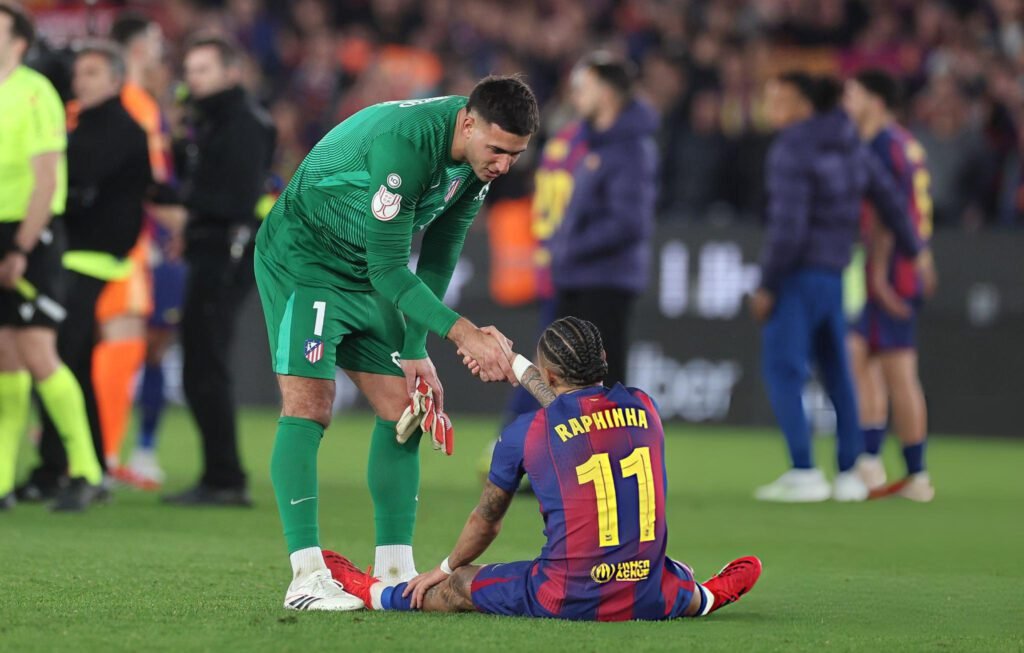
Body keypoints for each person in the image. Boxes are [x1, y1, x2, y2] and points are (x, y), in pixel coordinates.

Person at [254, 76, 537, 611]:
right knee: (310, 405)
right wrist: (463, 333)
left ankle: (393, 568)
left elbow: (439, 254)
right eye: (497, 150)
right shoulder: (407, 147)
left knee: (405, 408)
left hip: (363, 266)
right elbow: (390, 267)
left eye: (515, 155)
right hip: (306, 256)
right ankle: (306, 577)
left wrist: (415, 347)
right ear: (468, 123)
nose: (503, 165)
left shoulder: (476, 165)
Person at [323, 317, 763, 620]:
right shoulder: (646, 407)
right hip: (647, 594)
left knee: (460, 585)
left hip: (565, 595)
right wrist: (514, 364)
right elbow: (574, 408)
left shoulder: (524, 433)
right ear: (603, 359)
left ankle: (375, 593)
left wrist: (444, 565)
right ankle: (706, 595)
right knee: (671, 571)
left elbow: (486, 523)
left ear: (549, 377)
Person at [749, 72, 925, 503]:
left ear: (802, 103)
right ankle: (848, 472)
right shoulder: (851, 144)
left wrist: (768, 283)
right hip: (835, 275)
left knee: (784, 370)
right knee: (838, 373)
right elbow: (891, 199)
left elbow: (788, 228)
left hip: (796, 275)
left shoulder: (792, 147)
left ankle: (805, 470)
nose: (770, 107)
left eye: (778, 97)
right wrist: (915, 250)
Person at [30, 41, 152, 511]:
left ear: (116, 79)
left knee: (58, 360)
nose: (81, 81)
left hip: (89, 259)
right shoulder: (91, 125)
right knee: (71, 364)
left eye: (92, 73)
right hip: (77, 257)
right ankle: (76, 467)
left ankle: (69, 469)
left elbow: (76, 177)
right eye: (79, 73)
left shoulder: (117, 129)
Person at [161, 34, 276, 508]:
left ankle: (225, 477)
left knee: (207, 363)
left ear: (232, 72)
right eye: (190, 69)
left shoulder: (245, 123)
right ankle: (219, 473)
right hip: (211, 248)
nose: (193, 78)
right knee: (200, 365)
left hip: (227, 251)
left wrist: (176, 202)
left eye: (204, 69)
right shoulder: (207, 121)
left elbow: (234, 199)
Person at [0, 1, 103, 511]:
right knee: (5, 355)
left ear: (18, 41)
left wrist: (21, 244)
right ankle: (1, 480)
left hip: (29, 233)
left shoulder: (36, 93)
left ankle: (86, 470)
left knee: (38, 351)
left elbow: (45, 179)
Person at [842, 70, 937, 502]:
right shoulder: (905, 143)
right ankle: (871, 462)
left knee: (895, 370)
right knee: (863, 359)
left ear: (876, 101)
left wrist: (878, 276)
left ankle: (914, 474)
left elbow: (888, 214)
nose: (849, 100)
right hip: (905, 264)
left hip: (891, 270)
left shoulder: (883, 146)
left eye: (856, 93)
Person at [547, 53, 658, 388]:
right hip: (581, 278)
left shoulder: (631, 149)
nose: (576, 95)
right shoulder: (597, 145)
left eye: (585, 87)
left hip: (605, 281)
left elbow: (630, 222)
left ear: (607, 94)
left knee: (602, 384)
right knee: (568, 382)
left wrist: (570, 247)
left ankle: (614, 443)